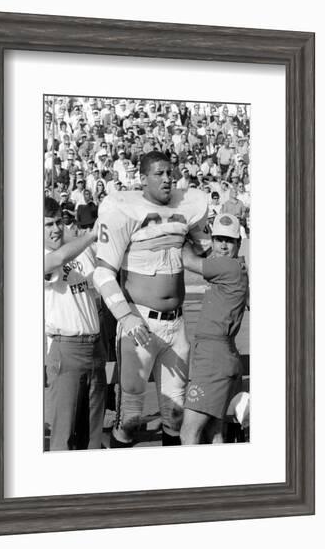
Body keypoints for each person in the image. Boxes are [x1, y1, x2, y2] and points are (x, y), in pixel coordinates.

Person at [93, 151, 211, 447]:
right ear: (142, 179)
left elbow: (206, 255)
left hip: (177, 325)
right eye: (159, 173)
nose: (167, 178)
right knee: (130, 419)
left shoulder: (189, 206)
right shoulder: (122, 210)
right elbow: (103, 274)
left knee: (175, 415)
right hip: (140, 324)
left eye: (170, 172)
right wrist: (125, 316)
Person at [179, 213, 249, 445]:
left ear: (238, 243)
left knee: (188, 433)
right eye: (218, 239)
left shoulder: (227, 266)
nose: (223, 245)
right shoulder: (237, 267)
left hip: (212, 357)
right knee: (213, 432)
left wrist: (181, 233)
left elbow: (188, 260)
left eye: (229, 240)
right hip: (220, 354)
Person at [44, 197, 106, 451]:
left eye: (59, 222)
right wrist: (93, 235)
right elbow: (57, 259)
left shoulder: (76, 251)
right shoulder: (41, 256)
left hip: (94, 347)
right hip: (66, 349)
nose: (56, 228)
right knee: (64, 436)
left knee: (92, 435)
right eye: (48, 224)